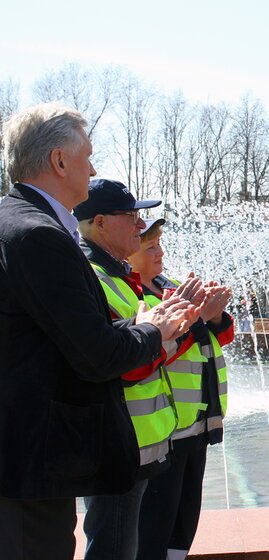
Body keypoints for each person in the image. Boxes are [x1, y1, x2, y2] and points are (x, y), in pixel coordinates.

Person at [0, 103, 198, 560]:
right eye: (87, 157)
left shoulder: (23, 223)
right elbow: (96, 354)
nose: (92, 169)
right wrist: (152, 328)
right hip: (33, 459)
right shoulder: (38, 235)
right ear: (59, 161)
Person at [74, 179, 207, 560]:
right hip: (118, 443)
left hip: (143, 441)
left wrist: (176, 322)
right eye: (130, 216)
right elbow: (114, 361)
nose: (139, 224)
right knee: (114, 547)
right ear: (100, 222)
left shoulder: (119, 275)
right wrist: (169, 328)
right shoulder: (92, 276)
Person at [128, 218, 233, 560]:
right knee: (153, 530)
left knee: (182, 525)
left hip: (197, 424)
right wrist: (199, 319)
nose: (160, 252)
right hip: (163, 432)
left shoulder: (170, 286)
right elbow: (147, 354)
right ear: (130, 253)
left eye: (160, 244)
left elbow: (216, 340)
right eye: (150, 247)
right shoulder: (133, 296)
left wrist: (215, 317)